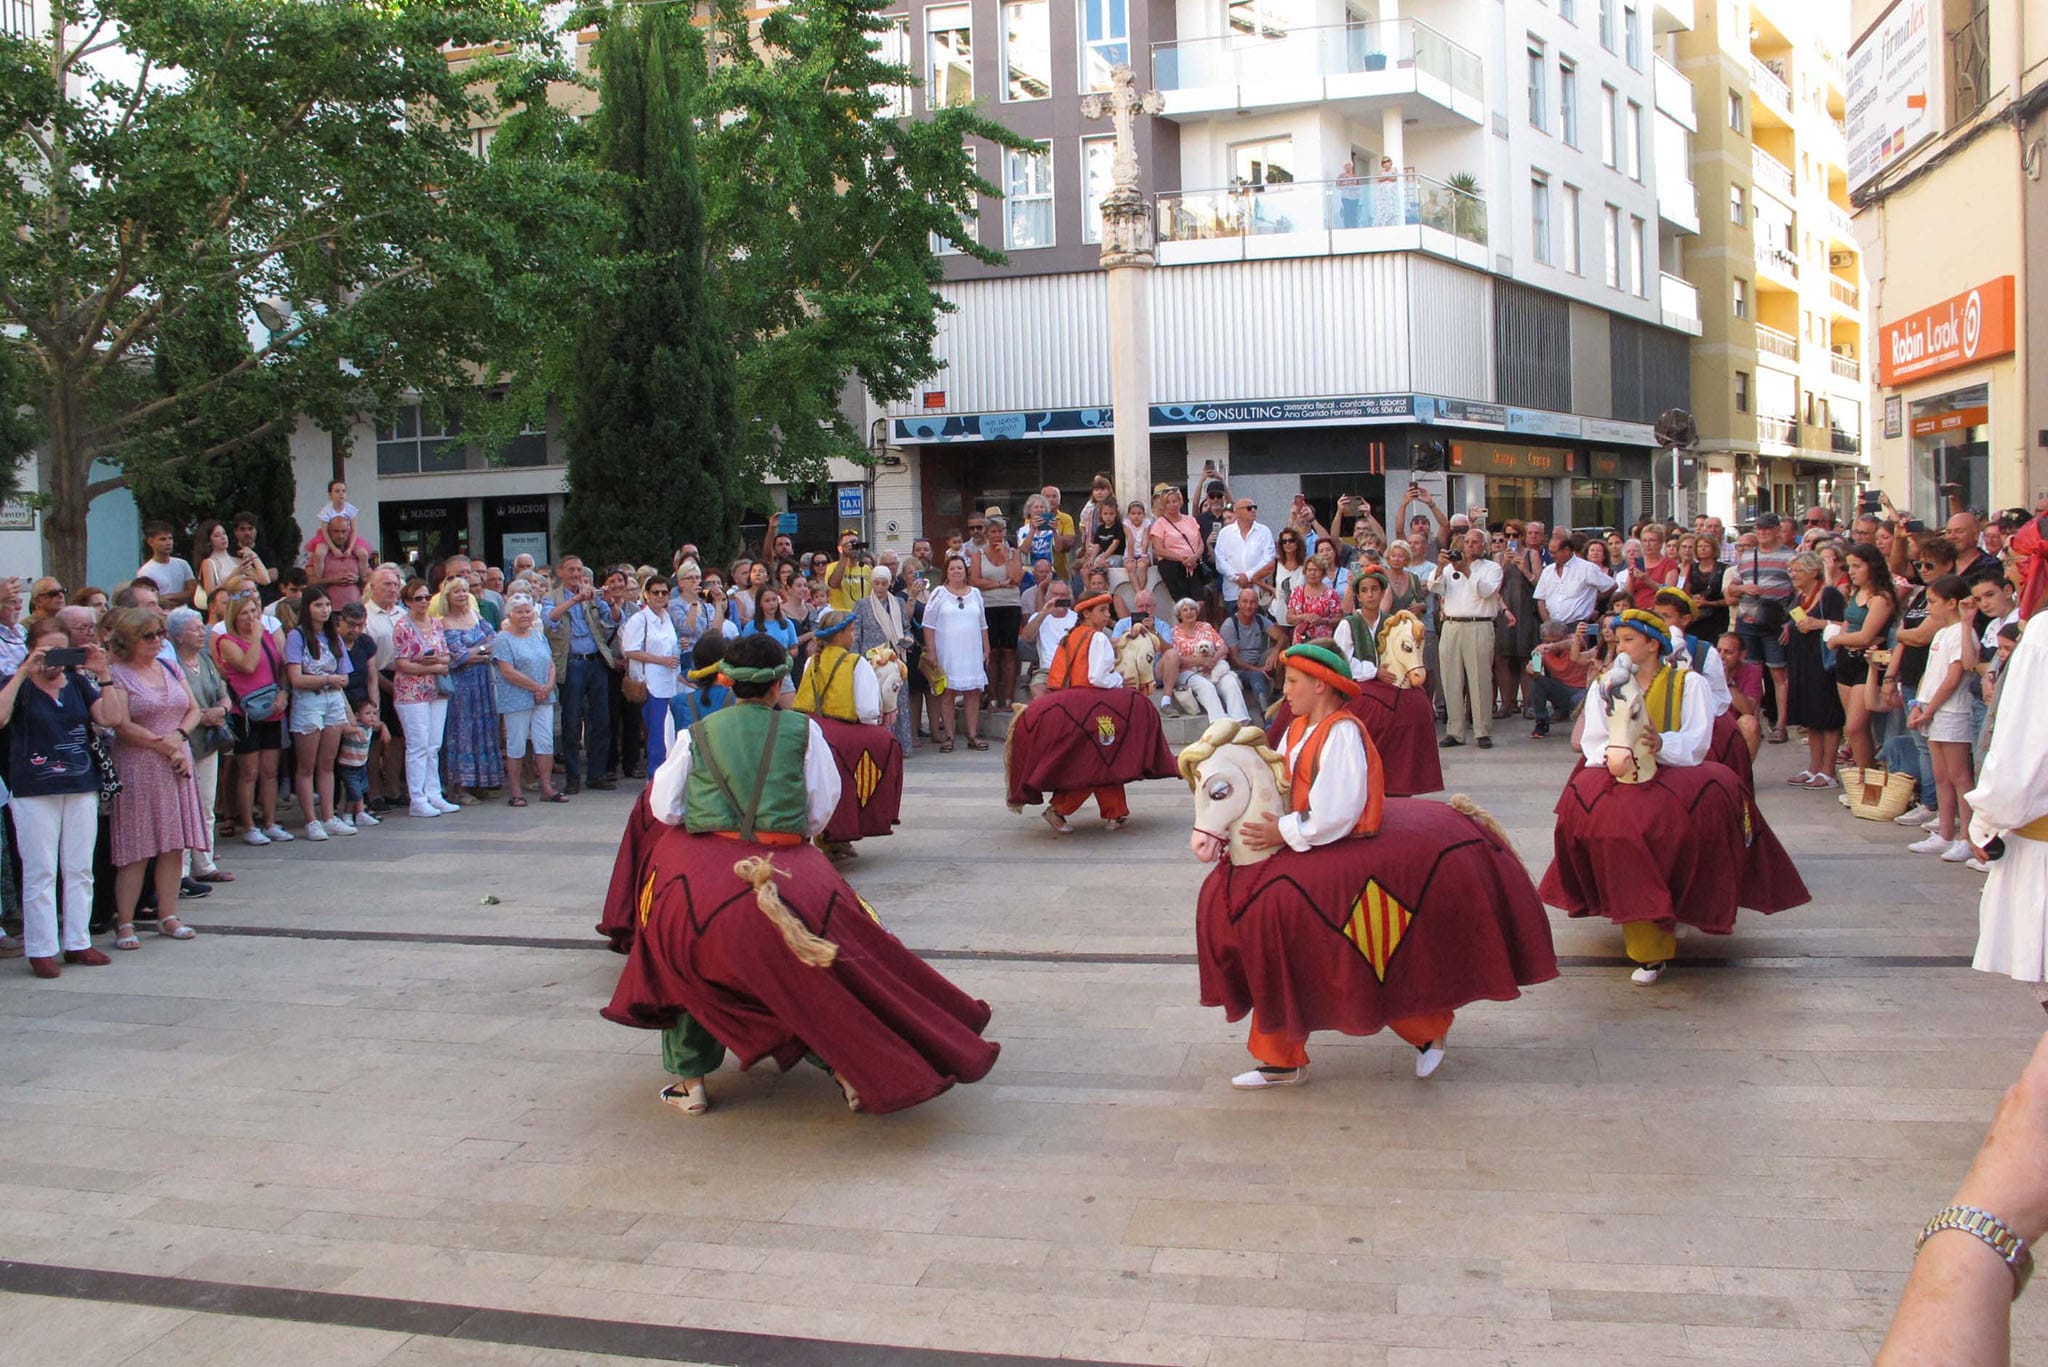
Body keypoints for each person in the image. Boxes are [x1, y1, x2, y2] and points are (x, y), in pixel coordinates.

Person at [599, 632, 999, 1116]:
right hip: (786, 866)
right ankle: (847, 1067)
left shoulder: (695, 734)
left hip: (700, 874)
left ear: (728, 682)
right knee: (828, 966)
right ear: (776, 686)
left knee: (677, 954)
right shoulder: (803, 731)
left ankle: (691, 1082)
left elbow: (665, 808)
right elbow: (820, 810)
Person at [0, 618, 116, 976]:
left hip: (80, 783)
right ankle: (41, 947)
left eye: (60, 652)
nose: (54, 662)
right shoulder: (16, 685)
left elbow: (111, 718)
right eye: (47, 652)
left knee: (80, 867)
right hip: (34, 788)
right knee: (40, 870)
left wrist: (104, 673)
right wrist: (23, 671)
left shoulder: (78, 682)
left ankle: (78, 941)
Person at [98, 606, 208, 949]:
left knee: (173, 843)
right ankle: (126, 921)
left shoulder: (168, 665)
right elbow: (121, 724)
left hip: (176, 758)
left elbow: (192, 709)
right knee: (137, 846)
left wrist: (179, 737)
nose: (158, 641)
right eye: (149, 636)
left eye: (160, 634)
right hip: (139, 762)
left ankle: (168, 913)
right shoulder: (117, 673)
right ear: (129, 640)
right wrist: (164, 745)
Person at [1033, 594, 1137, 833]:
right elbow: (1097, 678)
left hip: (1070, 706)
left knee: (1100, 759)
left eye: (1108, 610)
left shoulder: (1071, 636)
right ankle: (1059, 809)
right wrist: (1120, 680)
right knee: (1098, 760)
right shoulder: (1098, 637)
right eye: (1102, 610)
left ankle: (1116, 812)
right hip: (1096, 710)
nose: (1108, 615)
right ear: (1087, 614)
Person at [1907, 576, 1979, 863]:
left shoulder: (1962, 633)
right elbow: (1931, 675)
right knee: (1941, 775)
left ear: (1952, 603)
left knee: (1960, 776)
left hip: (1953, 711)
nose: (1930, 608)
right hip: (1933, 710)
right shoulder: (1940, 633)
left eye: (1934, 602)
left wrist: (1930, 708)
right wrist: (1918, 704)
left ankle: (1967, 837)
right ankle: (1944, 831)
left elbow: (1954, 676)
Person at [213, 593, 293, 845]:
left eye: (253, 611)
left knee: (270, 771)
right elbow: (248, 665)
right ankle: (248, 824)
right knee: (249, 771)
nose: (251, 617)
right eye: (244, 613)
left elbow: (279, 665)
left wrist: (283, 691)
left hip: (272, 707)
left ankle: (270, 821)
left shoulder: (269, 636)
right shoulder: (227, 641)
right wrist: (256, 636)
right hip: (245, 712)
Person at [283, 586, 355, 840]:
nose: (324, 610)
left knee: (327, 762)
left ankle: (328, 816)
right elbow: (296, 677)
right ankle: (311, 820)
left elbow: (345, 675)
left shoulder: (333, 636)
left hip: (333, 699)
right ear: (308, 608)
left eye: (327, 605)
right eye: (318, 606)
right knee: (307, 764)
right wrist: (326, 679)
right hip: (309, 701)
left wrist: (333, 680)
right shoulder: (297, 636)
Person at [167, 607, 234, 883]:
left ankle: (204, 862)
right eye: (194, 628)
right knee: (183, 806)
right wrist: (200, 716)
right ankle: (180, 870)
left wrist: (222, 709)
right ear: (178, 636)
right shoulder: (170, 664)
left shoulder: (205, 659)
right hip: (185, 741)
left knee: (206, 803)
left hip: (209, 741)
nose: (200, 632)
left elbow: (223, 693)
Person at [1427, 527, 1503, 750]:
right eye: (1467, 542)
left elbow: (1487, 591)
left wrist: (1467, 570)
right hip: (1451, 624)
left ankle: (1482, 730)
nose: (1469, 546)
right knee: (1451, 679)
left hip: (1478, 624)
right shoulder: (1450, 567)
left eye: (1475, 542)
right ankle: (1455, 730)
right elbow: (1434, 587)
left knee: (1479, 679)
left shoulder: (1492, 568)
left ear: (1484, 546)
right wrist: (1441, 566)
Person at [547, 557, 617, 794]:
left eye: (579, 570)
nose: (576, 574)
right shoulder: (553, 596)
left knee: (601, 720)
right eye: (572, 570)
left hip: (595, 661)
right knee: (571, 722)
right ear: (561, 571)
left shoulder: (591, 595)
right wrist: (575, 599)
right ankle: (573, 777)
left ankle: (596, 774)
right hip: (572, 662)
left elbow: (611, 620)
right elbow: (551, 619)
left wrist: (608, 601)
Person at [392, 577, 460, 819]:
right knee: (418, 745)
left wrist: (436, 662)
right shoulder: (402, 626)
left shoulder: (436, 624)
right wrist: (432, 666)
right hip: (412, 692)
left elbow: (446, 656)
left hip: (436, 690)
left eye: (426, 597)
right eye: (417, 598)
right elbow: (402, 663)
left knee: (434, 745)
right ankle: (417, 798)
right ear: (408, 601)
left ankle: (434, 793)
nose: (423, 602)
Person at [1729, 511, 1797, 742]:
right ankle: (1752, 721)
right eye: (1759, 528)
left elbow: (1799, 593)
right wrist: (1743, 589)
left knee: (1779, 673)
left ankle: (1781, 723)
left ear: (1778, 530)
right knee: (1751, 673)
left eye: (1767, 528)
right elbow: (1731, 588)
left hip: (1775, 623)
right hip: (1747, 621)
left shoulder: (1790, 557)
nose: (1762, 532)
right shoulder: (1748, 557)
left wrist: (1790, 622)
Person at [1782, 551, 1846, 791]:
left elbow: (1843, 624)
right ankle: (1814, 766)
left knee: (1826, 716)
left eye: (1797, 570)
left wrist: (1818, 624)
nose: (1793, 575)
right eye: (1791, 571)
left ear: (1813, 571)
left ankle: (1828, 770)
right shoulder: (1801, 596)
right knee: (1811, 716)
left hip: (1822, 659)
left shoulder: (1829, 594)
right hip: (1802, 659)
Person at [435, 576, 502, 802]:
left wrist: (477, 651)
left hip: (483, 681)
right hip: (462, 685)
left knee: (483, 729)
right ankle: (460, 786)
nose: (462, 595)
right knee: (462, 731)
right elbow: (457, 655)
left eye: (465, 591)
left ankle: (480, 781)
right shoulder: (444, 623)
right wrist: (477, 653)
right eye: (457, 592)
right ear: (448, 597)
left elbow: (495, 640)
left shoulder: (476, 616)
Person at [1833, 544, 1898, 772]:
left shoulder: (1881, 598)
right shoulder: (1856, 592)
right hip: (1846, 660)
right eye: (1849, 566)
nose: (1851, 571)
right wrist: (1841, 635)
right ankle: (1863, 777)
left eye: (1857, 566)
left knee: (1855, 726)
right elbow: (1848, 623)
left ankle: (1868, 776)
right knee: (1855, 729)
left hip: (1867, 662)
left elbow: (1866, 636)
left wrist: (1836, 640)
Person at [493, 595, 562, 805]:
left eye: (527, 611)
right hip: (517, 698)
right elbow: (507, 671)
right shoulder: (503, 639)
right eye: (519, 612)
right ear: (510, 615)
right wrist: (536, 687)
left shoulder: (539, 636)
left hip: (543, 697)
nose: (524, 615)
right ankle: (515, 792)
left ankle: (547, 787)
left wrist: (548, 686)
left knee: (544, 741)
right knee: (516, 744)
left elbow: (550, 664)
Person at [620, 574, 684, 774]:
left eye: (664, 592)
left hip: (671, 682)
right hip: (651, 683)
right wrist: (660, 660)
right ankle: (654, 778)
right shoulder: (639, 620)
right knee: (657, 734)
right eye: (655, 592)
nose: (660, 596)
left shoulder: (666, 618)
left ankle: (667, 776)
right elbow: (630, 650)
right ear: (646, 594)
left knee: (669, 734)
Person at [924, 556, 988, 753]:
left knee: (973, 694)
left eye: (960, 568)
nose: (956, 571)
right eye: (952, 568)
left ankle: (972, 735)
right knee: (947, 694)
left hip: (972, 652)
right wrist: (932, 652)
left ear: (965, 570)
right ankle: (949, 736)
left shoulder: (976, 593)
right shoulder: (938, 593)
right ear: (947, 571)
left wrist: (987, 647)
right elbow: (928, 624)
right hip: (948, 652)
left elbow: (983, 624)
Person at [852, 565, 915, 756]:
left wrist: (908, 639)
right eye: (877, 583)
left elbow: (906, 627)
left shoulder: (897, 603)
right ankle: (878, 745)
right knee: (876, 702)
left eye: (884, 583)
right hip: (871, 661)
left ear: (890, 583)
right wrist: (855, 661)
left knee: (897, 701)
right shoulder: (862, 605)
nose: (880, 587)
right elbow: (856, 634)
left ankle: (901, 745)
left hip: (895, 658)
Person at [1169, 598, 1251, 724]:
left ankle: (1240, 721)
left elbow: (1223, 647)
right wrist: (1201, 661)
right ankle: (1220, 722)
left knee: (1230, 682)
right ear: (1179, 614)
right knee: (1206, 687)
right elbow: (1177, 659)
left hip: (1214, 668)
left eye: (1192, 609)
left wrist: (1213, 660)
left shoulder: (1206, 627)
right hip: (1188, 671)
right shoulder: (1174, 632)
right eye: (1185, 610)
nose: (1189, 612)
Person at [1526, 621, 1592, 740]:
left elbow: (1572, 642)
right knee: (1538, 683)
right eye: (1547, 641)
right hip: (1561, 690)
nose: (1550, 644)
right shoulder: (1541, 650)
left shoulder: (1574, 640)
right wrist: (1533, 665)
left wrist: (1551, 646)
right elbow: (1535, 673)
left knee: (1578, 701)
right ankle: (1541, 722)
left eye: (1555, 641)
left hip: (1581, 690)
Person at [1214, 497, 1276, 614]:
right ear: (1237, 512)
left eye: (1254, 507)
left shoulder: (1264, 531)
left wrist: (1248, 576)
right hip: (1233, 593)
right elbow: (1220, 561)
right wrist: (1236, 578)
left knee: (1259, 628)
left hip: (1257, 592)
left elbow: (1269, 558)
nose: (1253, 510)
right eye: (1249, 508)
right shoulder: (1225, 533)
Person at [1221, 590, 1277, 716]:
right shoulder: (1230, 625)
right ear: (1238, 603)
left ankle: (1278, 691)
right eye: (1245, 602)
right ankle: (1266, 717)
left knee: (1282, 653)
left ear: (1257, 604)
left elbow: (1282, 638)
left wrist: (1275, 652)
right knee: (1256, 676)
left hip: (1258, 662)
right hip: (1239, 670)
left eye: (1252, 602)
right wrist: (1258, 670)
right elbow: (1234, 660)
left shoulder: (1260, 620)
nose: (1248, 606)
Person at [1146, 485, 1205, 605]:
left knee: (1200, 602)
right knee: (1184, 604)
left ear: (1180, 502)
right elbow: (1159, 549)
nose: (1172, 504)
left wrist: (1195, 557)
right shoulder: (1159, 524)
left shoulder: (1191, 520)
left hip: (1193, 564)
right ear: (1163, 505)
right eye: (1168, 502)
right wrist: (1181, 558)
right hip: (1172, 566)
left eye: (1175, 501)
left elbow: (1200, 543)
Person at [195, 519, 271, 607]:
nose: (223, 537)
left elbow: (265, 580)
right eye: (217, 536)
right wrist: (235, 574)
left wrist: (254, 556)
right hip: (228, 607)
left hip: (247, 604)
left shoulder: (237, 560)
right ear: (209, 541)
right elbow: (211, 594)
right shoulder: (209, 563)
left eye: (224, 533)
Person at [308, 514, 372, 610]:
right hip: (329, 611)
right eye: (336, 531)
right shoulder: (319, 555)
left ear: (349, 532)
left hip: (356, 609)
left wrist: (358, 580)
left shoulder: (358, 554)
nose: (340, 535)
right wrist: (331, 580)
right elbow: (309, 582)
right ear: (328, 532)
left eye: (344, 531)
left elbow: (371, 581)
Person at [134, 522, 197, 608]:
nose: (168, 543)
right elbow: (148, 598)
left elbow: (193, 591)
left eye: (170, 538)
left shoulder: (182, 564)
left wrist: (169, 596)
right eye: (162, 539)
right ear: (151, 542)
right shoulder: (145, 571)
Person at [1286, 557, 1342, 645]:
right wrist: (1303, 617)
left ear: (1323, 573)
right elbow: (1289, 618)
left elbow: (1339, 619)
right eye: (1309, 570)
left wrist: (1323, 621)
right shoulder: (1297, 592)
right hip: (1301, 640)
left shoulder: (1331, 593)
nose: (1312, 573)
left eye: (1316, 570)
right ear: (1305, 571)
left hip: (1323, 643)